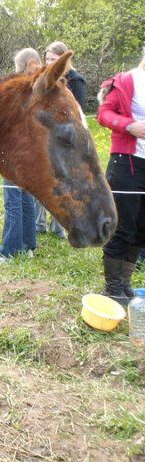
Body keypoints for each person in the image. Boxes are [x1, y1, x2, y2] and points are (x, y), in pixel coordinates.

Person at [96, 48, 145, 306]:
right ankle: (112, 288)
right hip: (127, 163)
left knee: (141, 229)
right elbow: (104, 114)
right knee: (123, 227)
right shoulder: (128, 80)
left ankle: (125, 283)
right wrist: (129, 126)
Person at [0, 48, 41, 262]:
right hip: (32, 151)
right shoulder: (40, 87)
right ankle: (28, 245)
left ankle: (9, 250)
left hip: (14, 150)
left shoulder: (20, 88)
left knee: (13, 201)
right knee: (26, 198)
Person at [35, 41, 88, 239]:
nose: (49, 63)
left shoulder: (76, 80)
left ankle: (59, 226)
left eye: (54, 59)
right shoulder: (44, 78)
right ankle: (38, 222)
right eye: (47, 59)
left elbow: (77, 111)